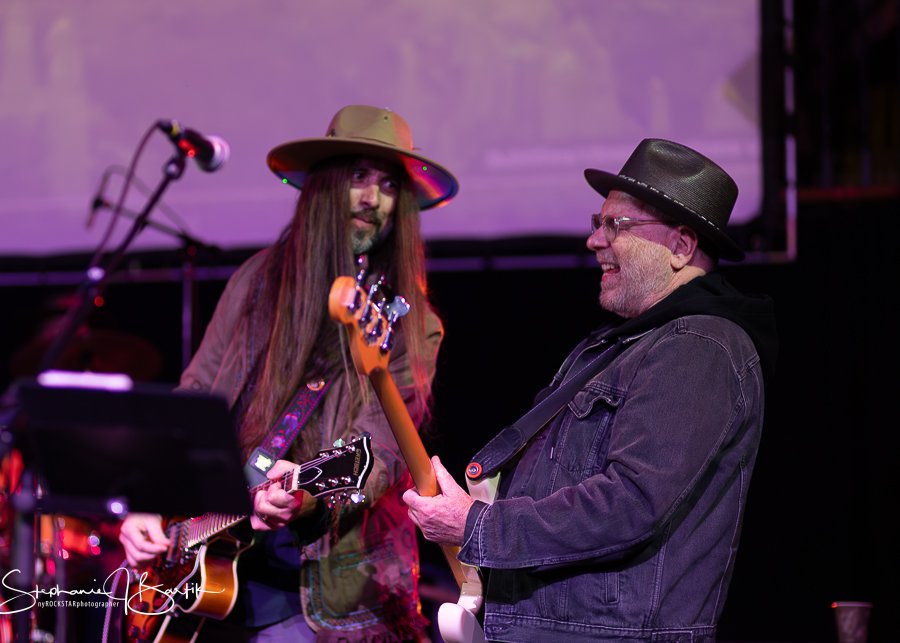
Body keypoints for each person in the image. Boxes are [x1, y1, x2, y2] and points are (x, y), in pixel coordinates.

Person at [403, 138, 778, 642]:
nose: (594, 240)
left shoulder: (698, 345)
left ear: (681, 246)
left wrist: (479, 527)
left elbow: (632, 503)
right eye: (596, 222)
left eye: (615, 225)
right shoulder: (623, 345)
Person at [118, 104, 459, 642]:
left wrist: (306, 499)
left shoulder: (412, 324)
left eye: (389, 186)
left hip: (327, 598)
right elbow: (195, 398)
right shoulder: (256, 279)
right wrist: (152, 501)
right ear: (323, 187)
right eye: (357, 177)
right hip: (209, 579)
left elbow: (379, 453)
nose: (371, 199)